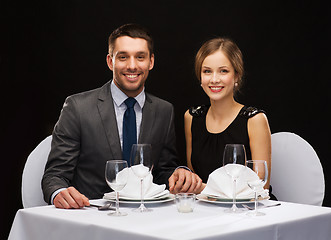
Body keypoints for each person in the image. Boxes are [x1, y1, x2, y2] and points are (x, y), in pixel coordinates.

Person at [42, 23, 202, 209]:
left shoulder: (164, 110)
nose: (132, 66)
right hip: (93, 216)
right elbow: (54, 175)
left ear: (151, 62)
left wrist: (179, 173)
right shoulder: (77, 107)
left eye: (140, 57)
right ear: (111, 62)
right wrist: (58, 192)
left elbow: (162, 171)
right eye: (123, 57)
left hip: (147, 217)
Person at [184, 37, 275, 196]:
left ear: (237, 76)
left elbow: (261, 187)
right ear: (200, 77)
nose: (214, 79)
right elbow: (193, 180)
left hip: (248, 211)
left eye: (223, 71)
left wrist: (205, 190)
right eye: (207, 71)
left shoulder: (254, 120)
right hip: (205, 209)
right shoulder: (192, 117)